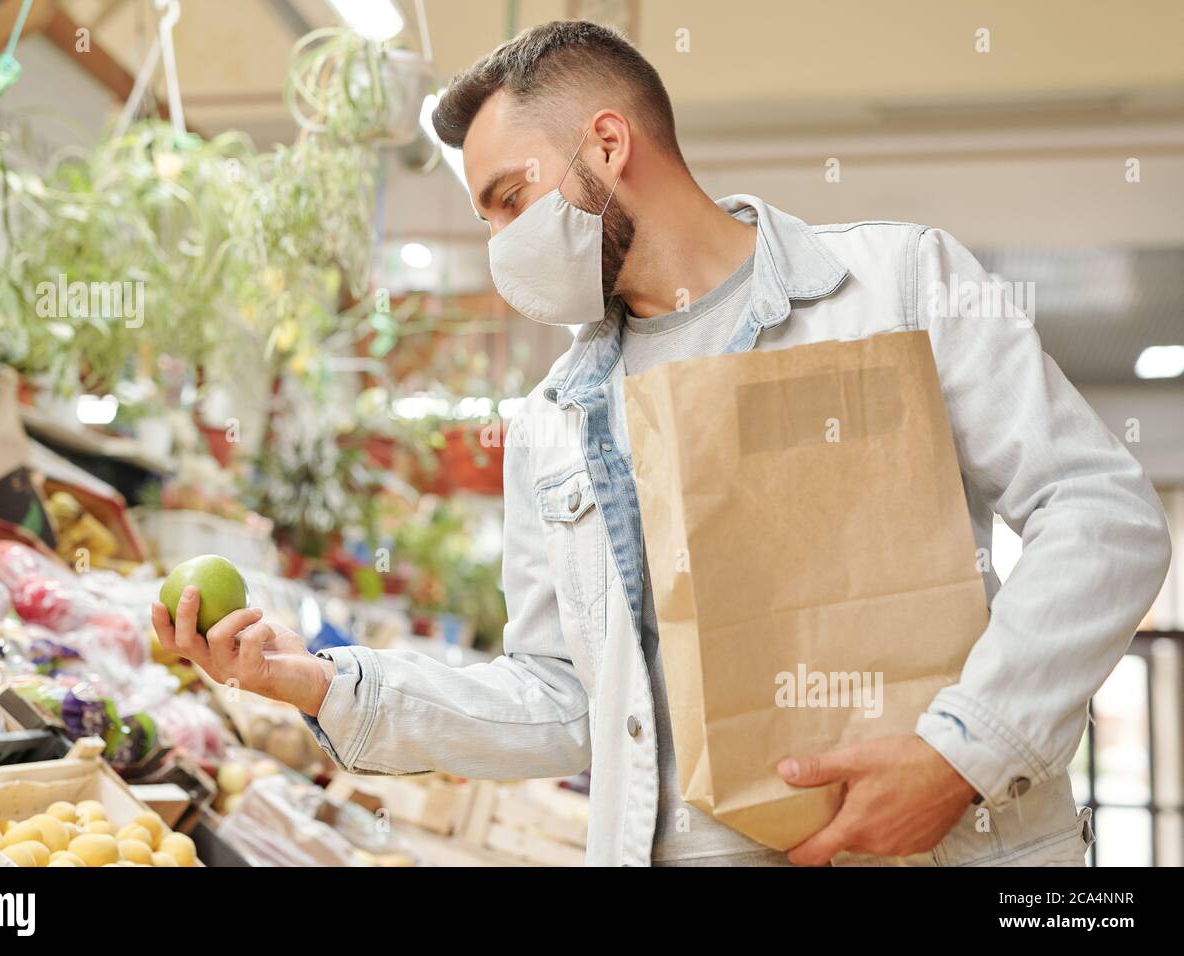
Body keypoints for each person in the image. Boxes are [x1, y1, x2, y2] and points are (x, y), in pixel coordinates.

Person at [152, 20, 1171, 867]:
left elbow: (1099, 515)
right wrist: (327, 682)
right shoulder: (552, 419)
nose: (502, 241)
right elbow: (559, 698)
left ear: (606, 143)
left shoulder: (895, 287)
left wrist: (962, 752)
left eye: (510, 197)